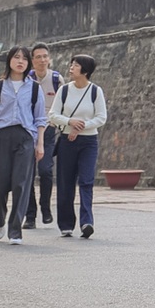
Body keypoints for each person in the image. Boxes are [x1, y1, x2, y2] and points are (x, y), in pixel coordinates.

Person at [0, 45, 46, 245]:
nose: (21, 62)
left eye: (24, 59)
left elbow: (41, 119)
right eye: (17, 57)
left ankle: (15, 230)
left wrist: (40, 144)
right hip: (2, 137)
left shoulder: (34, 88)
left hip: (26, 138)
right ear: (9, 60)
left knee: (21, 184)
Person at [48, 54, 106, 240]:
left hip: (89, 142)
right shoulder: (64, 91)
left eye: (76, 65)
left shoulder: (95, 91)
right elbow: (53, 115)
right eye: (71, 64)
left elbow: (101, 117)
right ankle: (66, 224)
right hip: (67, 142)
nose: (71, 67)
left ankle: (86, 222)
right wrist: (70, 122)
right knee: (65, 183)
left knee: (87, 181)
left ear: (85, 71)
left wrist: (82, 126)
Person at [22, 44, 63, 233]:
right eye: (37, 57)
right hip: (28, 130)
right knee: (27, 174)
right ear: (32, 60)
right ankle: (30, 215)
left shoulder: (56, 79)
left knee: (46, 170)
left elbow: (64, 105)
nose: (42, 60)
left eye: (45, 56)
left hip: (48, 130)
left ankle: (45, 207)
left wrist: (55, 124)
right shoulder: (26, 79)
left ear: (49, 58)